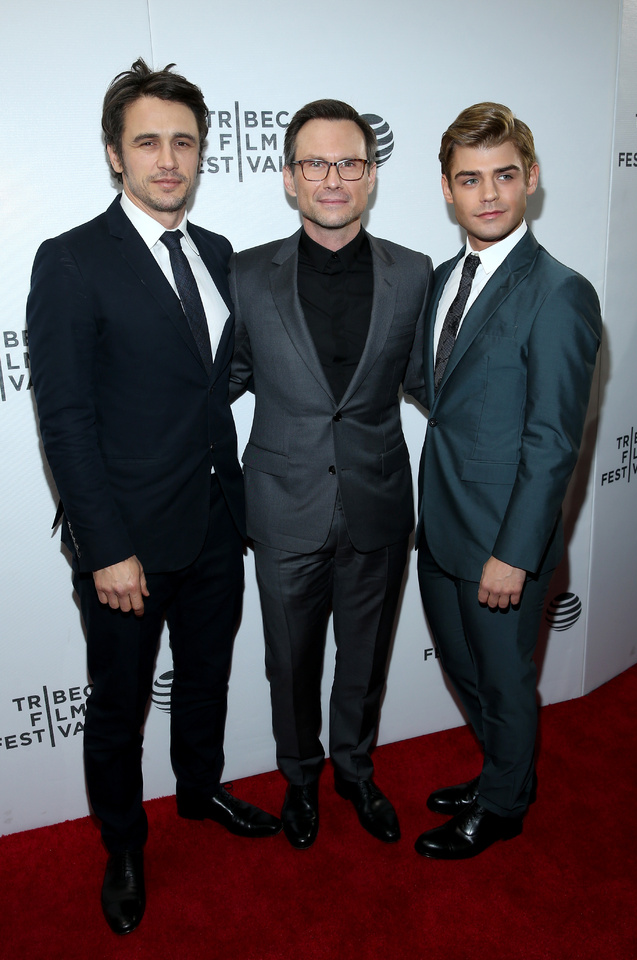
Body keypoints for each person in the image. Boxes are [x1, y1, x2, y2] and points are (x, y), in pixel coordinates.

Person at [27, 59, 280, 936]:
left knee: (206, 678)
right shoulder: (70, 261)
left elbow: (215, 385)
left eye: (183, 142)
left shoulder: (214, 255)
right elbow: (63, 421)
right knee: (118, 702)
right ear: (114, 154)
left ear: (201, 153)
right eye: (148, 142)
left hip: (217, 523)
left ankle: (202, 791)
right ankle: (124, 844)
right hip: (126, 540)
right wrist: (104, 547)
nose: (167, 159)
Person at [230, 99, 432, 849]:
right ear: (289, 178)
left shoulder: (413, 273)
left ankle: (354, 768)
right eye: (315, 163)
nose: (333, 178)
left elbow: (424, 380)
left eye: (349, 162)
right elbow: (227, 377)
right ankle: (301, 777)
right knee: (290, 661)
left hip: (378, 500)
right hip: (284, 506)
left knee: (366, 654)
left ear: (371, 174)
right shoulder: (246, 275)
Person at [415, 102, 602, 859]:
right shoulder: (438, 280)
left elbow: (554, 441)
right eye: (469, 179)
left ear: (531, 179)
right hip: (440, 529)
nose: (487, 194)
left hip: (501, 544)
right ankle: (504, 771)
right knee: (469, 673)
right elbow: (441, 394)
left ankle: (504, 805)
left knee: (504, 680)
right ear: (446, 189)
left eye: (503, 175)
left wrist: (516, 554)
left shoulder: (560, 293)